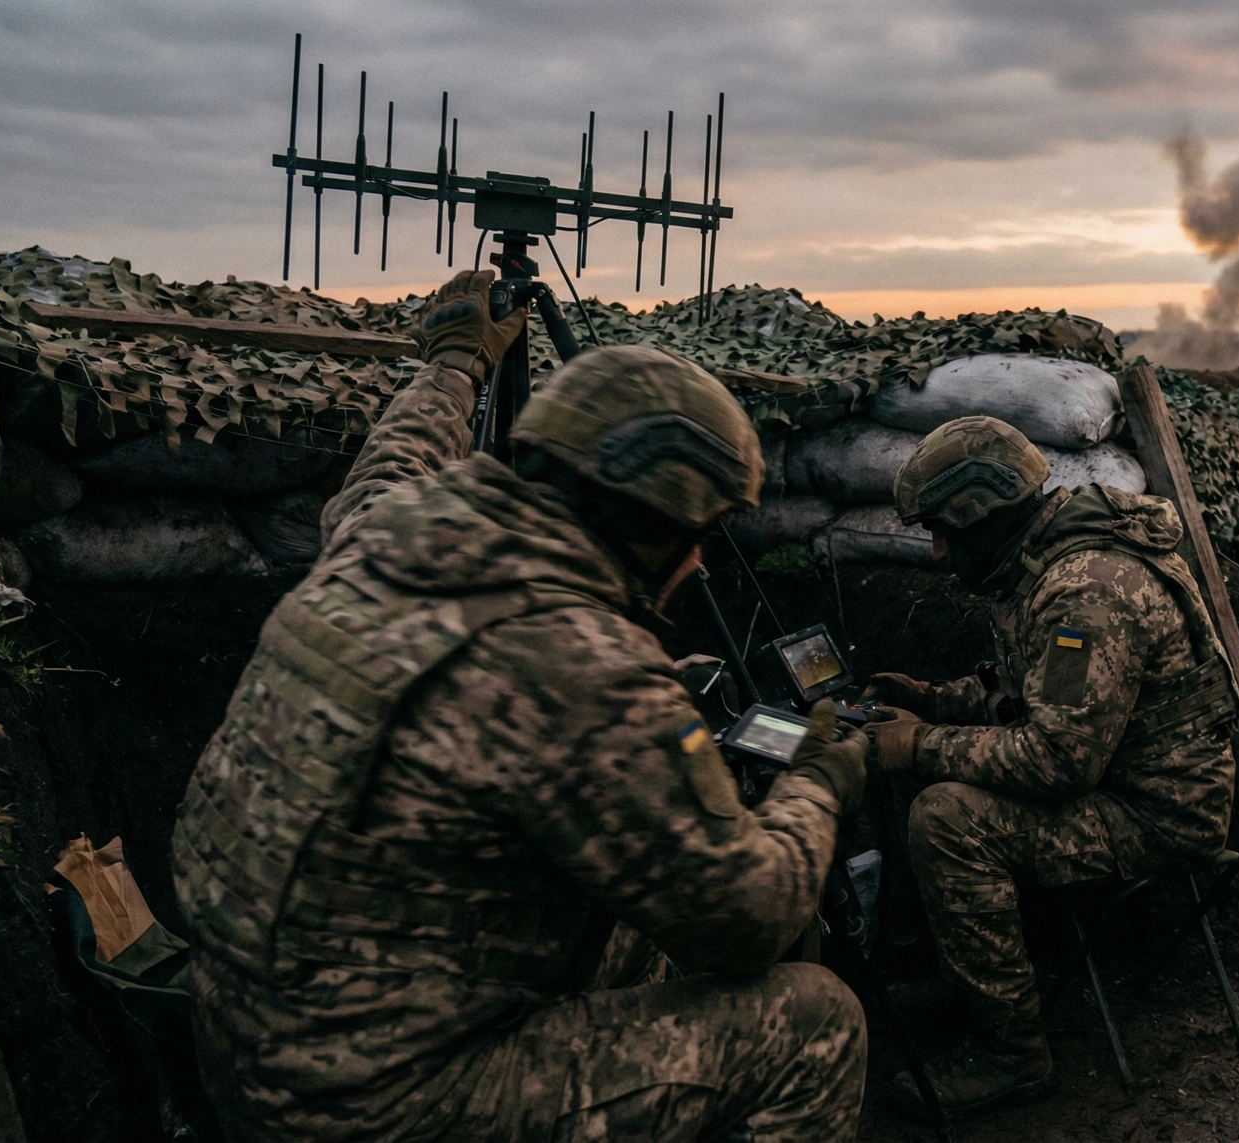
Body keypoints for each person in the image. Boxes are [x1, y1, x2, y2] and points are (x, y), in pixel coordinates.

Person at [171, 271, 869, 1142]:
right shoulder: (588, 666)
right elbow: (749, 917)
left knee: (634, 923)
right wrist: (821, 780)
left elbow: (389, 461)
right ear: (655, 529)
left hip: (241, 1041)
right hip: (377, 1107)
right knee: (815, 1024)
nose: (694, 567)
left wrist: (457, 361)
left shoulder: (386, 533)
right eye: (693, 537)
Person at [864, 415, 1239, 1121]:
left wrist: (916, 744)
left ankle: (1010, 1055)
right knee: (932, 771)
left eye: (943, 530)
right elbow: (1033, 698)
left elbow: (1057, 757)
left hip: (1159, 812)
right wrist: (933, 700)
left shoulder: (1084, 593)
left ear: (982, 516)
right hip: (1124, 781)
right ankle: (957, 978)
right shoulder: (1046, 561)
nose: (939, 552)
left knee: (947, 818)